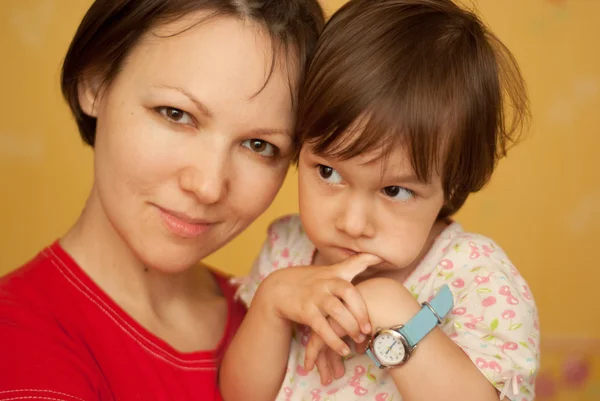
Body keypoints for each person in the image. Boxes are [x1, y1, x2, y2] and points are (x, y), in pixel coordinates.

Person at [0, 0, 325, 399]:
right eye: (175, 113)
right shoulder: (17, 343)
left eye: (259, 145)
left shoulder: (296, 327)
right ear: (95, 83)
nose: (208, 186)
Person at [221, 0, 540, 400]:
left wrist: (391, 307)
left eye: (394, 191)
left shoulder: (473, 278)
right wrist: (272, 303)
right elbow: (239, 395)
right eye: (328, 172)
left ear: (454, 184)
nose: (353, 223)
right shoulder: (288, 250)